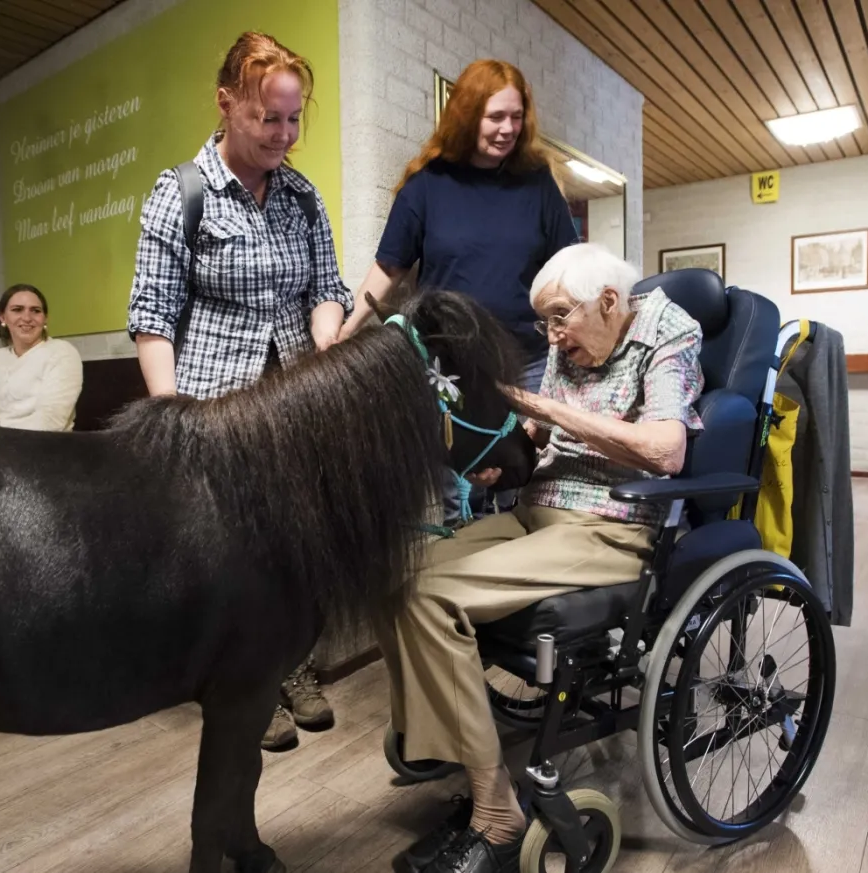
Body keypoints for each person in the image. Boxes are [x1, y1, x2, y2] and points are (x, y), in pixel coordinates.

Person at [378, 243, 703, 873]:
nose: (551, 337)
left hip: (606, 528)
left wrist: (546, 410)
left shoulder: (669, 333)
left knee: (430, 597)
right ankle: (459, 748)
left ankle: (497, 813)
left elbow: (667, 452)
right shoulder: (570, 340)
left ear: (610, 302)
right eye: (545, 322)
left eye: (560, 318)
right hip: (535, 511)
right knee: (395, 574)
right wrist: (506, 444)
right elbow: (537, 432)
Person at [125, 31, 351, 751]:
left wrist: (325, 342)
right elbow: (152, 316)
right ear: (227, 103)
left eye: (293, 119)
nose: (283, 134)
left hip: (294, 400)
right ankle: (239, 684)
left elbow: (328, 289)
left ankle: (294, 667)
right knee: (231, 552)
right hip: (214, 405)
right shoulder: (181, 192)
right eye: (267, 119)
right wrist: (168, 415)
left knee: (298, 545)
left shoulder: (301, 196)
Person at [338, 58, 578, 519]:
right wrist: (346, 330)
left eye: (516, 115)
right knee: (456, 493)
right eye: (495, 117)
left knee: (518, 486)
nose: (508, 128)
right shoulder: (427, 186)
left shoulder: (538, 185)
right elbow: (388, 266)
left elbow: (566, 268)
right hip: (450, 366)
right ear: (467, 116)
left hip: (526, 363)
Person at [0, 284, 83, 432]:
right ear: (3, 317)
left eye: (35, 311)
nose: (27, 318)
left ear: (45, 318)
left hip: (44, 448)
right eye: (17, 310)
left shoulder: (62, 352)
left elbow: (51, 422)